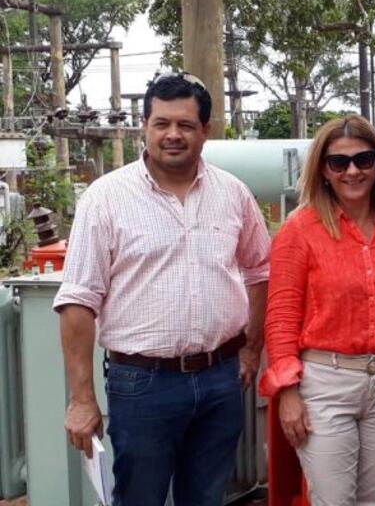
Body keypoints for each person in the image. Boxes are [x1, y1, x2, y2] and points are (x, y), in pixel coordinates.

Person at [54, 72, 271, 505]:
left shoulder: (233, 195)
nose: (173, 135)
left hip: (220, 379)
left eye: (186, 125)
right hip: (142, 384)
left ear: (204, 131)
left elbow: (260, 269)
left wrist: (250, 350)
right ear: (144, 127)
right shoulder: (106, 199)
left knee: (207, 497)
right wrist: (81, 399)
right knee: (140, 498)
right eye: (162, 123)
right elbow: (78, 300)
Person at [260, 115, 375, 506]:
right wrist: (288, 393)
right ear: (323, 171)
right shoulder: (300, 230)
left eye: (363, 159)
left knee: (372, 500)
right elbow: (280, 317)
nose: (352, 171)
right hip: (326, 384)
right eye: (338, 162)